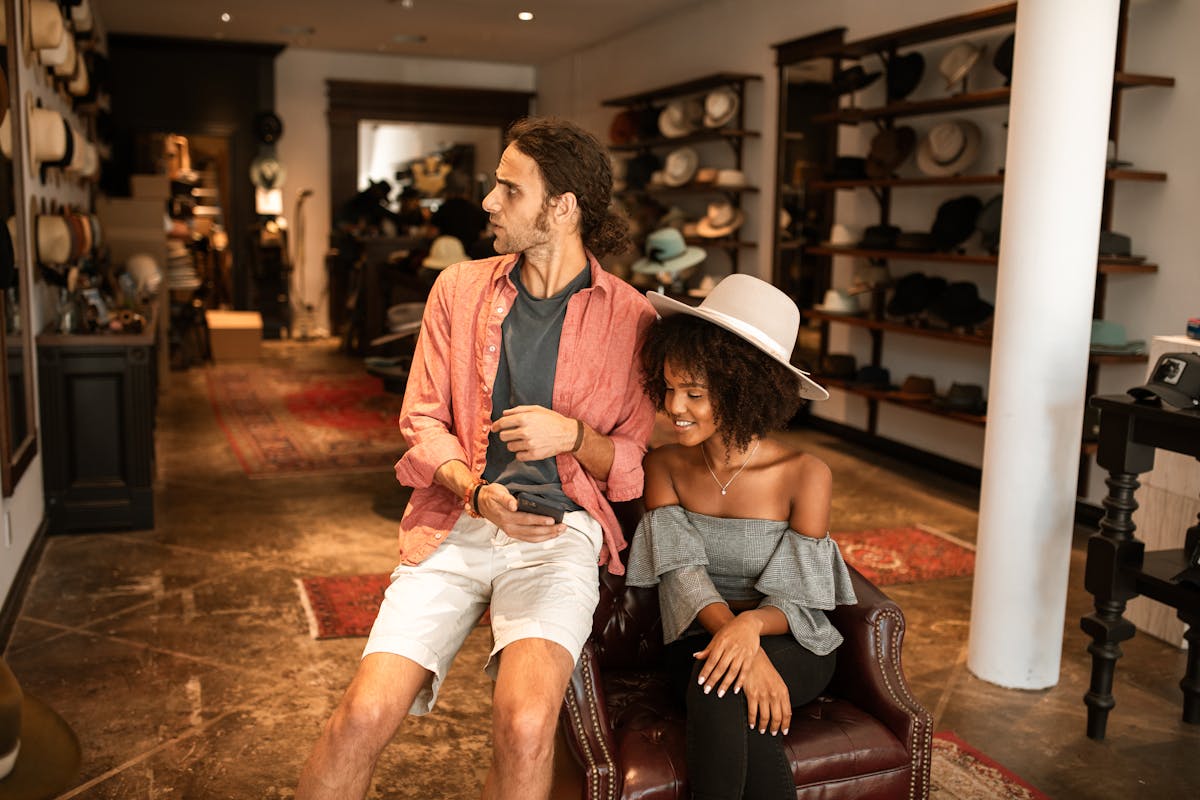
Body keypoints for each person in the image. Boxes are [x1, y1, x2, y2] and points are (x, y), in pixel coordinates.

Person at [297, 116, 657, 800]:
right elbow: (422, 420)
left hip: (557, 537)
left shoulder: (631, 320)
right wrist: (474, 492)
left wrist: (575, 436)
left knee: (524, 726)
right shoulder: (458, 290)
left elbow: (633, 459)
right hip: (457, 521)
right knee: (363, 714)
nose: (489, 202)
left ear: (563, 206)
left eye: (507, 189)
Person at [625, 274, 857, 800]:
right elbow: (681, 575)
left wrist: (752, 630)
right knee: (721, 685)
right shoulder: (663, 466)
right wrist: (740, 644)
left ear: (743, 388)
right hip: (699, 633)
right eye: (668, 388)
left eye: (694, 393)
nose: (673, 407)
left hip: (793, 639)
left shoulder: (806, 473)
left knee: (715, 690)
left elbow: (799, 592)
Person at [430, 169, 491, 252]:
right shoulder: (476, 210)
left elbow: (431, 234)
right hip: (471, 256)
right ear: (467, 189)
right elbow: (483, 235)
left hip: (446, 255)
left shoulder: (443, 209)